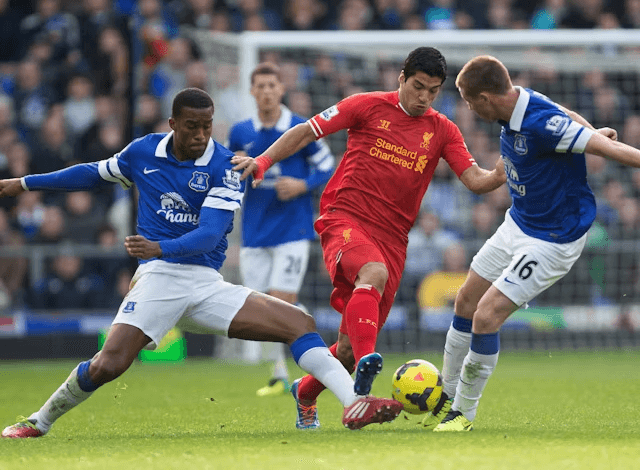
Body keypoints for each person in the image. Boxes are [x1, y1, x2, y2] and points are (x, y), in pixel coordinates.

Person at [0, 88, 402, 439]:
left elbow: (209, 236)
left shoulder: (226, 168)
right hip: (159, 279)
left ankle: (353, 403)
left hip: (204, 282)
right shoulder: (142, 152)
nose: (200, 135)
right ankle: (40, 420)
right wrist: (24, 183)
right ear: (173, 123)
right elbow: (92, 173)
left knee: (300, 324)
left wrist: (158, 246)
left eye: (207, 126)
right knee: (111, 364)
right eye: (192, 126)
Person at [231, 47, 506, 429]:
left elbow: (475, 180)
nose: (424, 97)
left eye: (433, 90)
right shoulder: (365, 106)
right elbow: (306, 131)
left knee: (344, 348)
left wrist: (500, 172)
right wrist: (262, 160)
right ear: (401, 78)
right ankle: (364, 380)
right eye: (418, 86)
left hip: (394, 239)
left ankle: (306, 391)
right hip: (345, 218)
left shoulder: (442, 129)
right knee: (371, 275)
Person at [430, 55, 640, 432]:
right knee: (465, 299)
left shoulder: (541, 124)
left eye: (468, 100)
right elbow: (565, 111)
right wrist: (592, 128)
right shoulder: (520, 100)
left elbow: (614, 152)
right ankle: (443, 392)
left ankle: (463, 412)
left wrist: (596, 137)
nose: (468, 108)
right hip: (518, 222)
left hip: (551, 240)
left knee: (486, 315)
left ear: (486, 98)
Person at [228, 62, 335, 397]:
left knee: (281, 300)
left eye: (272, 85)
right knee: (261, 310)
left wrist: (303, 185)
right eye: (260, 86)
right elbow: (235, 175)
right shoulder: (241, 132)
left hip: (293, 230)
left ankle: (292, 370)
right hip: (256, 232)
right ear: (252, 91)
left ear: (281, 89)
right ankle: (282, 366)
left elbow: (328, 166)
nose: (266, 91)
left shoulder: (300, 128)